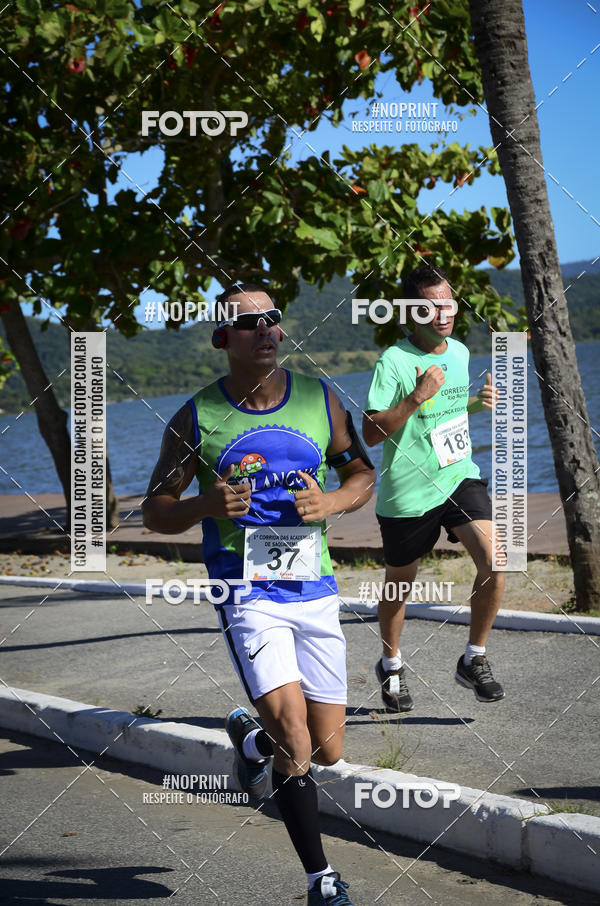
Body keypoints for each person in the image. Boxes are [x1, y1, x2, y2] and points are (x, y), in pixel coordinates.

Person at [142, 284, 375, 905]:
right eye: (249, 324)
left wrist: (331, 501)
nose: (266, 330)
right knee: (295, 741)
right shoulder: (196, 417)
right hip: (248, 594)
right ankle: (320, 882)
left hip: (314, 587)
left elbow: (361, 473)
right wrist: (204, 504)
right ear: (223, 338)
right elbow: (155, 512)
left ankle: (248, 740)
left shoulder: (320, 400)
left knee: (326, 750)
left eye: (273, 319)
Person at [362, 263, 505, 713]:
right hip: (408, 493)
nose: (443, 312)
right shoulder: (395, 361)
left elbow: (447, 416)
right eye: (430, 305)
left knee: (496, 562)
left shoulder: (459, 352)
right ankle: (390, 663)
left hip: (458, 476)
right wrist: (415, 395)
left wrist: (476, 405)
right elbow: (370, 432)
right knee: (399, 587)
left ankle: (474, 659)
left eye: (447, 302)